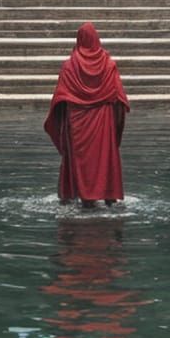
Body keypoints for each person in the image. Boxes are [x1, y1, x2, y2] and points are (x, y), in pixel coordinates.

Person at [45, 22, 128, 207]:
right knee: (105, 155)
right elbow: (118, 96)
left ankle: (83, 196)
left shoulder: (69, 66)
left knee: (80, 158)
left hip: (77, 122)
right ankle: (108, 195)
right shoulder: (109, 65)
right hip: (103, 120)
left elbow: (60, 97)